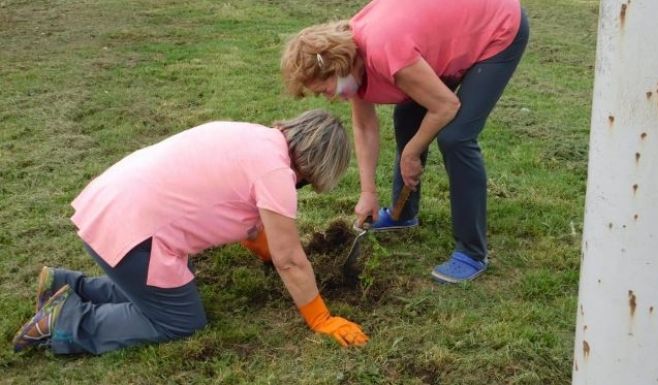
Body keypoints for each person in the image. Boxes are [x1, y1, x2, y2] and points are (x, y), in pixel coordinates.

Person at [12, 109, 369, 354]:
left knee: (178, 280)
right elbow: (290, 260)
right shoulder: (275, 175)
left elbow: (247, 222)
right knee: (180, 319)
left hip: (109, 205)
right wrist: (320, 318)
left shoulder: (251, 136)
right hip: (133, 234)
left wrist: (267, 250)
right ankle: (67, 321)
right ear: (314, 167)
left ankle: (66, 286)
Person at [281, 0, 529, 283]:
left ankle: (472, 252)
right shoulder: (353, 58)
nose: (328, 97)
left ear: (336, 66)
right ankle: (403, 214)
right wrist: (368, 193)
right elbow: (364, 126)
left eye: (324, 89)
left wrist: (412, 152)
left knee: (456, 138)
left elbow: (445, 107)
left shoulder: (385, 52)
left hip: (496, 26)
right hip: (436, 40)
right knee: (407, 118)